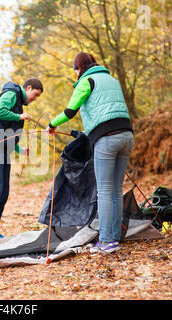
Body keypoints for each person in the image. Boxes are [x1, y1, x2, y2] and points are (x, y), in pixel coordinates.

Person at [46, 52, 134, 253]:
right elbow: (108, 110)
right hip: (127, 136)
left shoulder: (87, 81)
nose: (75, 73)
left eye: (75, 69)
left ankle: (106, 241)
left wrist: (51, 124)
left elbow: (70, 111)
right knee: (116, 189)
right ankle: (115, 237)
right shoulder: (111, 79)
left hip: (107, 139)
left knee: (104, 189)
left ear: (80, 68)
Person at [0, 78, 43, 245]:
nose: (34, 99)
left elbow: (7, 133)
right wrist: (19, 116)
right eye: (35, 95)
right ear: (28, 88)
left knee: (4, 191)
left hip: (2, 148)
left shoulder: (18, 104)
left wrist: (20, 150)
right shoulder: (11, 94)